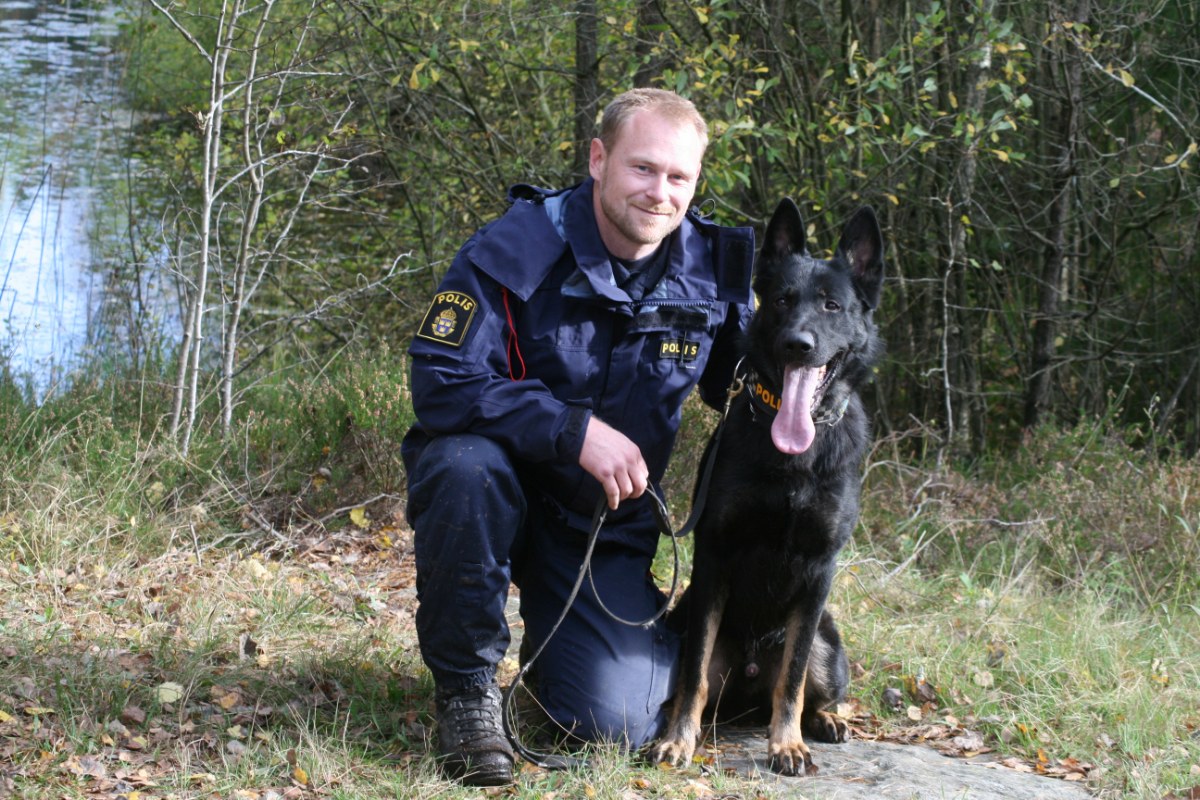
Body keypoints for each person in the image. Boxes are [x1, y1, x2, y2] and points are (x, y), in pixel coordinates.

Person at [401, 87, 755, 786]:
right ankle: (468, 693)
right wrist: (571, 429)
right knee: (462, 465)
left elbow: (748, 391)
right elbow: (438, 377)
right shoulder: (517, 246)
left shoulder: (713, 274)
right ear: (599, 159)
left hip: (603, 529)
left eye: (678, 176)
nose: (660, 192)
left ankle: (564, 653)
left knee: (616, 723)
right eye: (642, 168)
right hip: (498, 498)